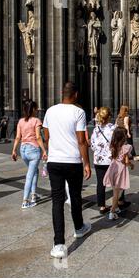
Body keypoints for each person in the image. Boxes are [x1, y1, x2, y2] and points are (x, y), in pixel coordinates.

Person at [43, 82, 92, 259]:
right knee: (75, 196)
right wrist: (87, 163)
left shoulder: (50, 111)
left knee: (57, 201)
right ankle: (79, 228)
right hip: (72, 161)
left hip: (54, 161)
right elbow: (81, 141)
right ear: (76, 95)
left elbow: (46, 137)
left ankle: (59, 245)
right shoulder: (78, 112)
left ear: (62, 93)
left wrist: (53, 150)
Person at [11, 100, 48, 209]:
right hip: (33, 150)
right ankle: (25, 201)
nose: (37, 110)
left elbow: (18, 137)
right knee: (30, 175)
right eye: (36, 108)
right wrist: (44, 150)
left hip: (23, 150)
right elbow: (38, 137)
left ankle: (33, 195)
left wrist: (14, 150)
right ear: (32, 109)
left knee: (34, 171)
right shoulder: (36, 120)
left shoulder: (21, 121)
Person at [103, 127, 134, 220]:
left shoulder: (112, 145)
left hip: (112, 168)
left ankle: (115, 208)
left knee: (115, 191)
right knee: (117, 194)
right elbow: (126, 161)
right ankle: (112, 212)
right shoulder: (125, 147)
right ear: (123, 137)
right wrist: (132, 165)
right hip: (120, 170)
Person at [90, 107, 116, 214]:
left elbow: (92, 145)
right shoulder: (113, 128)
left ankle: (102, 206)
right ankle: (118, 203)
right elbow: (118, 143)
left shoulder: (96, 129)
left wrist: (99, 151)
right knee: (115, 182)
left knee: (100, 183)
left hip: (98, 160)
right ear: (109, 116)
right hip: (110, 159)